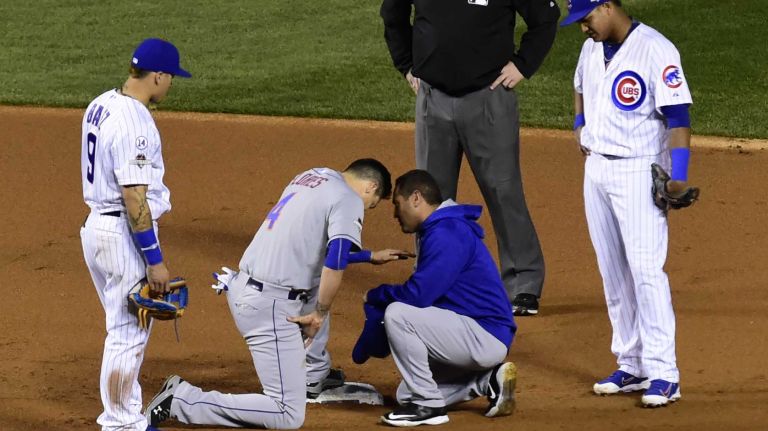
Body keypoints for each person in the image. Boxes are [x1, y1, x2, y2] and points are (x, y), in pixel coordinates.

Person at [144, 159, 411, 429]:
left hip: (251, 286)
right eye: (372, 203)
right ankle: (181, 400)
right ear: (371, 186)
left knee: (315, 284)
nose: (367, 209)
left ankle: (313, 372)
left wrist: (369, 256)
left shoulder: (312, 177)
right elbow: (336, 257)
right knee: (286, 413)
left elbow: (308, 242)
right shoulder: (349, 199)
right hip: (270, 306)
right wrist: (319, 313)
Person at [380, 0, 561, 316]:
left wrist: (523, 63)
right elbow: (392, 13)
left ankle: (523, 284)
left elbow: (545, 17)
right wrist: (406, 65)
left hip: (488, 98)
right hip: (432, 99)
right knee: (429, 200)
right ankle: (433, 281)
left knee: (504, 191)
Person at [561, 0, 696, 407]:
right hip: (597, 171)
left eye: (586, 19)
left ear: (606, 6)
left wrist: (680, 175)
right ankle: (632, 362)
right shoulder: (590, 48)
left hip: (639, 170)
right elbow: (580, 87)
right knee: (612, 270)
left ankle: (664, 372)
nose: (583, 29)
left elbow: (678, 116)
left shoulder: (656, 49)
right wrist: (579, 125)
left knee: (645, 270)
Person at [79, 38, 191, 431]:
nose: (171, 85)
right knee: (127, 334)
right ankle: (122, 425)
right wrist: (155, 260)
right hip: (122, 234)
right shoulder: (135, 121)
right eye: (171, 77)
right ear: (157, 75)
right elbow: (134, 197)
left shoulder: (101, 103)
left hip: (96, 228)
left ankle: (127, 415)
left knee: (122, 328)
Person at [364, 170, 517, 426]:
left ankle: (429, 406)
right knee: (405, 393)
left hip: (483, 333)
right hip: (468, 330)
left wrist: (377, 295)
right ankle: (486, 380)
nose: (394, 213)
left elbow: (419, 295)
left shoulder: (448, 231)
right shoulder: (439, 228)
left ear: (415, 198)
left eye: (397, 204)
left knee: (398, 314)